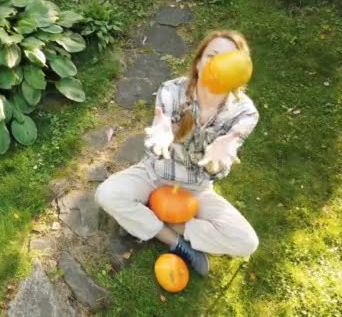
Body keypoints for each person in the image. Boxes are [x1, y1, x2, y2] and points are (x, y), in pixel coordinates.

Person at [95, 30, 259, 276]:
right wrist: (162, 132)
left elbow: (216, 171)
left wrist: (217, 159)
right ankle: (174, 242)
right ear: (199, 62)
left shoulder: (244, 113)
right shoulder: (172, 90)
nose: (217, 65)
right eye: (211, 55)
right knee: (107, 194)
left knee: (247, 241)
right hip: (154, 175)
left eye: (226, 60)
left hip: (195, 189)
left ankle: (170, 221)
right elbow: (161, 129)